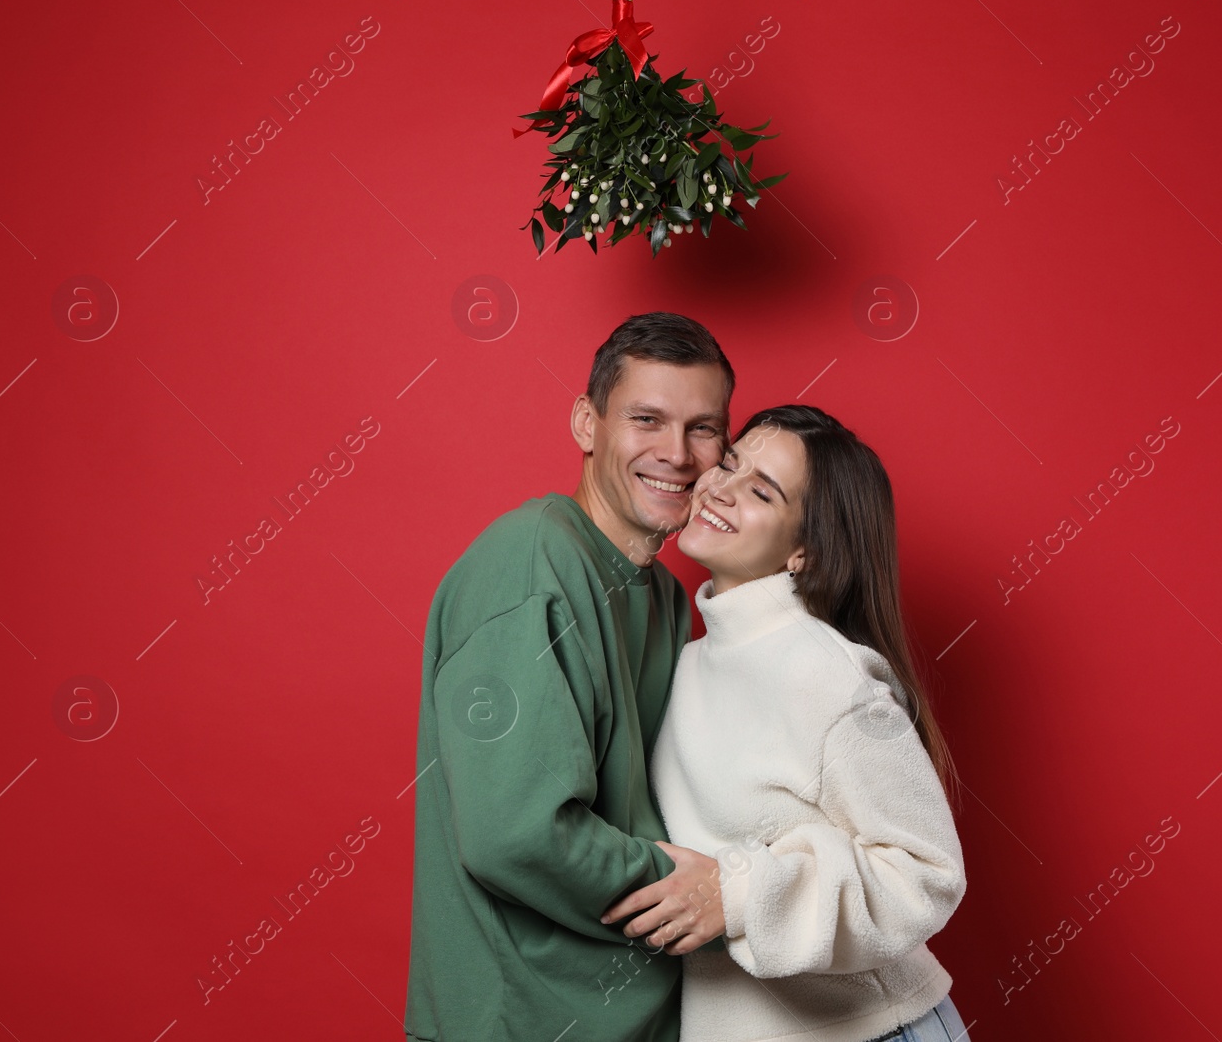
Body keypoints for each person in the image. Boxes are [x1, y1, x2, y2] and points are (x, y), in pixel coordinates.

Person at [403, 312, 740, 1041]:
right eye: (646, 419)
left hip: (641, 1013)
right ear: (587, 423)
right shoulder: (532, 564)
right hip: (521, 1021)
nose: (676, 453)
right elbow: (516, 833)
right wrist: (707, 897)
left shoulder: (666, 596)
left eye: (703, 429)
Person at [601, 404, 971, 1042]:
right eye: (731, 463)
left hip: (873, 1031)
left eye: (762, 492)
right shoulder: (687, 664)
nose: (721, 488)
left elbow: (925, 873)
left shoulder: (825, 675)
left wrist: (738, 893)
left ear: (803, 551)